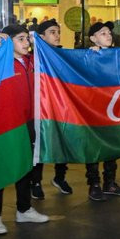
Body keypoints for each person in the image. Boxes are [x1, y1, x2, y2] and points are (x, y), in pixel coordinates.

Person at [0, 25, 49, 234]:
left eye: (27, 38)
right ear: (8, 41)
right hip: (5, 125)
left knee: (26, 166)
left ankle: (24, 209)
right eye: (20, 38)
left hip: (29, 122)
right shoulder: (0, 63)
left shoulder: (32, 61)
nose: (26, 43)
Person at [83, 21, 120, 201]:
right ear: (93, 38)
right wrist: (89, 56)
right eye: (103, 33)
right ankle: (94, 184)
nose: (108, 35)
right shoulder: (86, 56)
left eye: (109, 33)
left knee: (112, 145)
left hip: (112, 108)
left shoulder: (117, 55)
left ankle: (109, 182)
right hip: (93, 109)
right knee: (93, 147)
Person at [29, 19, 73, 197]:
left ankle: (60, 177)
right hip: (40, 109)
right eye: (52, 32)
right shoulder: (32, 58)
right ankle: (36, 181)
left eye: (58, 32)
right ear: (41, 37)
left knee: (62, 142)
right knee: (40, 144)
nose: (57, 35)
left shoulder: (62, 54)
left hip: (60, 107)